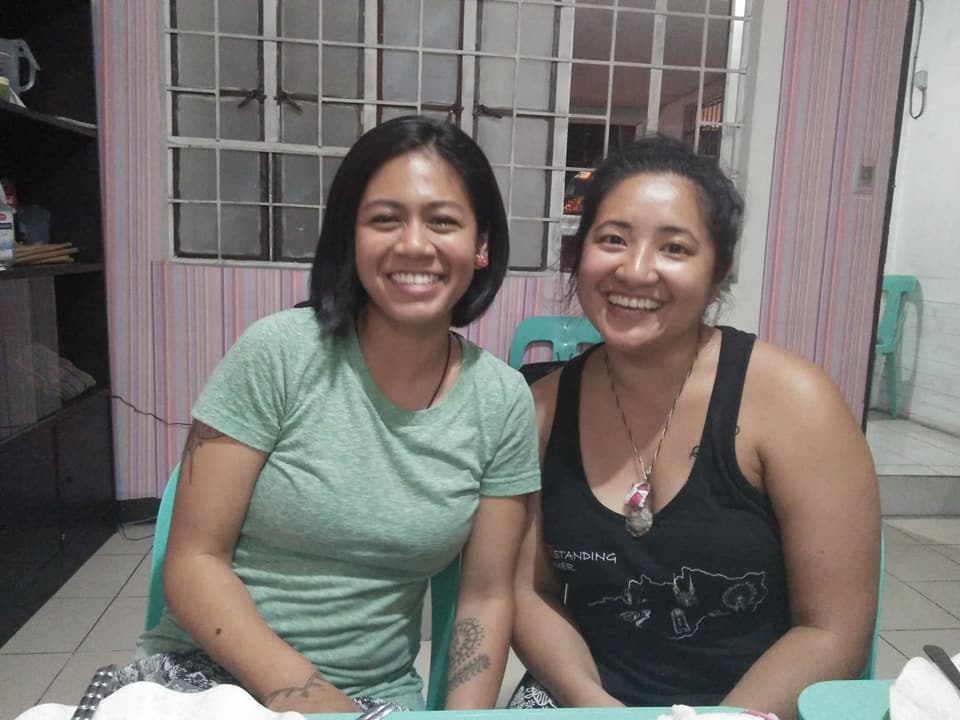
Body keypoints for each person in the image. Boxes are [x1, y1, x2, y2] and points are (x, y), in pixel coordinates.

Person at [110, 116, 541, 713]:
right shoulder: (278, 353)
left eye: (442, 221)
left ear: (481, 244)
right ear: (350, 236)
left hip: (374, 697)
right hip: (210, 682)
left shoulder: (503, 400)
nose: (414, 245)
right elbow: (192, 562)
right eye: (384, 219)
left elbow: (486, 597)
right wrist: (319, 706)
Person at [509, 135, 880, 720]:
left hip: (756, 706)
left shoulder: (793, 402)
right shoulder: (540, 410)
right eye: (612, 239)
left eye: (675, 248)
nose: (635, 270)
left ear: (719, 273)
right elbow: (530, 592)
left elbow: (832, 629)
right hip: (588, 699)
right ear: (578, 255)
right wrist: (595, 707)